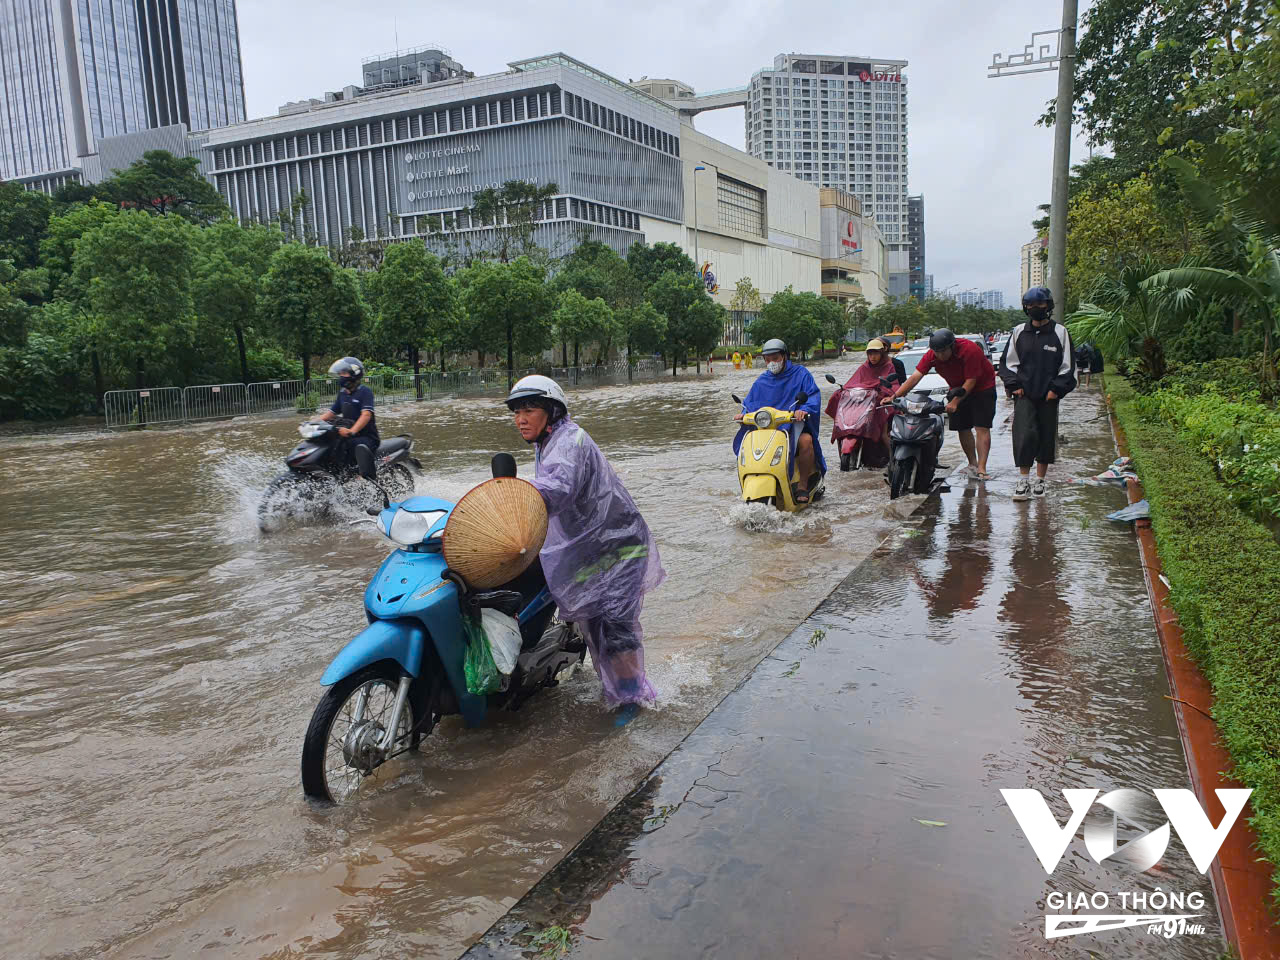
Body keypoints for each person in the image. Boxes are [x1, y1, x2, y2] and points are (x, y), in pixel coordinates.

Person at [505, 375, 665, 707]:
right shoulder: (545, 444)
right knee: (595, 627)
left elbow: (559, 489)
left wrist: (514, 491)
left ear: (551, 411)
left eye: (529, 410)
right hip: (590, 547)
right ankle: (617, 692)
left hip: (618, 547)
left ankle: (635, 701)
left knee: (616, 631)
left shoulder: (568, 440)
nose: (520, 419)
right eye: (516, 411)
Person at [884, 328, 997, 480]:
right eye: (937, 352)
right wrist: (895, 396)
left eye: (943, 351)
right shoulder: (932, 355)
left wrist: (955, 402)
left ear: (952, 346)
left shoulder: (969, 350)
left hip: (982, 388)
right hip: (956, 388)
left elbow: (971, 381)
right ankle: (972, 464)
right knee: (962, 427)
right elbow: (915, 377)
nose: (940, 355)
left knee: (981, 427)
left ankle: (982, 469)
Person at [998, 286, 1077, 500]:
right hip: (1024, 394)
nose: (1035, 308)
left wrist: (1056, 390)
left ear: (1048, 306)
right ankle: (1023, 481)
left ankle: (1040, 482)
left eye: (1039, 304)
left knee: (1045, 436)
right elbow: (1008, 364)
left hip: (1048, 395)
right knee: (1023, 435)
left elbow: (1068, 367)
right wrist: (1014, 386)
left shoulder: (1060, 332)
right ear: (1025, 308)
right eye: (1031, 305)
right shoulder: (1018, 332)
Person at [734, 338, 826, 502]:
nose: (771, 363)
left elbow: (812, 396)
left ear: (784, 357)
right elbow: (750, 403)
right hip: (768, 431)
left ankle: (803, 485)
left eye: (775, 358)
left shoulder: (801, 374)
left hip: (793, 427)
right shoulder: (762, 381)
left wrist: (803, 410)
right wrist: (743, 414)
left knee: (806, 441)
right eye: (767, 359)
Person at [824, 338, 897, 468]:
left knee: (883, 434)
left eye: (875, 353)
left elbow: (894, 386)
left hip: (880, 406)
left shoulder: (889, 366)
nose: (872, 357)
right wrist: (842, 392)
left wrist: (885, 394)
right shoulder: (864, 367)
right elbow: (853, 383)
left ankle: (895, 461)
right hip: (864, 406)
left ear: (882, 353)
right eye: (870, 354)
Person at [318, 356, 379, 480]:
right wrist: (312, 423)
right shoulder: (343, 393)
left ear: (354, 374)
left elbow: (366, 415)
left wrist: (352, 431)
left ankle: (361, 478)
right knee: (331, 445)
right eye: (340, 373)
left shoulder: (365, 392)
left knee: (349, 446)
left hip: (366, 437)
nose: (340, 375)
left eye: (344, 373)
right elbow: (331, 413)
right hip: (346, 433)